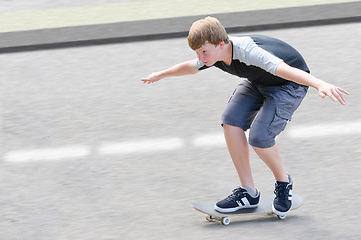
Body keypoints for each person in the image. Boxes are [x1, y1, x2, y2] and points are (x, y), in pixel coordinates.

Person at [141, 16, 349, 217]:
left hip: (288, 84)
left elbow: (285, 70)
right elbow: (191, 67)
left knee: (260, 137)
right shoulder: (212, 55)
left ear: (221, 43)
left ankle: (283, 183)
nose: (201, 58)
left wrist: (319, 84)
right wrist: (160, 74)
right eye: (197, 52)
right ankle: (248, 192)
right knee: (231, 121)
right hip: (258, 80)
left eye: (203, 52)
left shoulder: (249, 52)